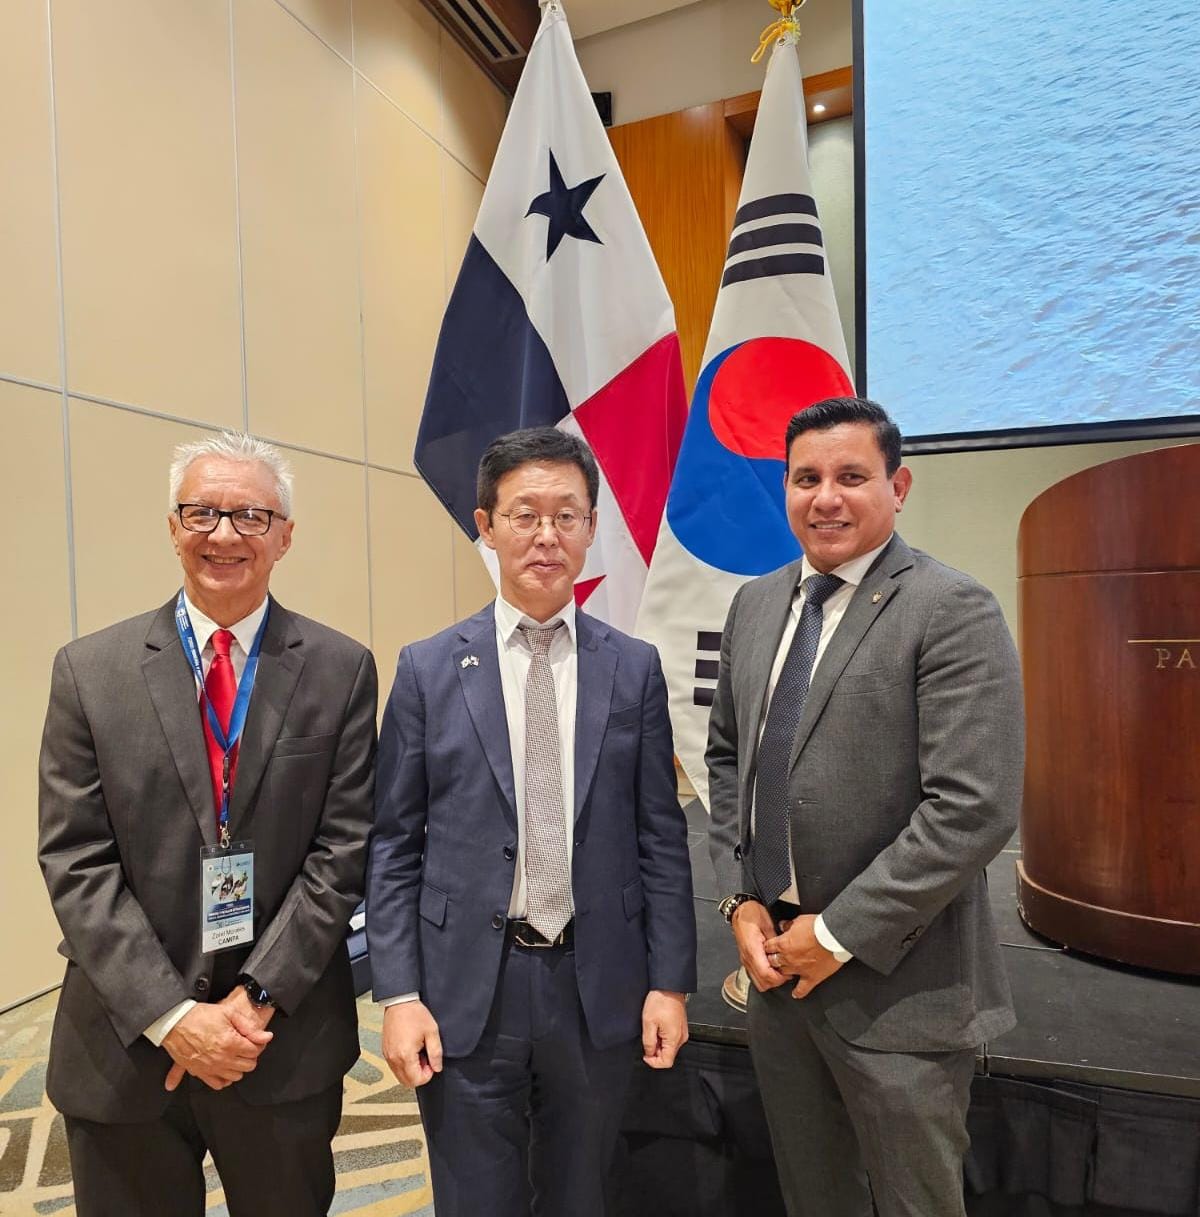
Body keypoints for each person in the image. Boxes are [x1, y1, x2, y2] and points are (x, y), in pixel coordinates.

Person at [38, 432, 377, 1217]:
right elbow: (75, 857)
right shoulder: (91, 671)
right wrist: (174, 1015)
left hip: (279, 1039)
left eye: (251, 516)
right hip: (125, 1044)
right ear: (172, 525)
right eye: (203, 512)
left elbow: (344, 845)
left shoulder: (340, 668)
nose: (224, 534)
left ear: (285, 535)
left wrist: (253, 998)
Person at [707, 397, 1024, 1217]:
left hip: (899, 995)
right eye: (806, 477)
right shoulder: (754, 603)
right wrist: (739, 896)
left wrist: (836, 933)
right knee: (814, 1198)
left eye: (852, 476)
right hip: (776, 981)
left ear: (899, 484)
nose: (826, 497)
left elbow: (973, 808)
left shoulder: (951, 609)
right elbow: (727, 758)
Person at [368, 426, 697, 1217]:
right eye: (524, 514)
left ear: (590, 528)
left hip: (598, 981)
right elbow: (393, 844)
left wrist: (670, 983)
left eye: (567, 515)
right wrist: (399, 993)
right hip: (466, 989)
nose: (546, 535)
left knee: (581, 1195)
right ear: (486, 524)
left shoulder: (635, 667)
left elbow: (661, 837)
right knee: (474, 1198)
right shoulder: (427, 668)